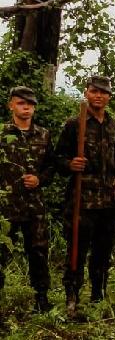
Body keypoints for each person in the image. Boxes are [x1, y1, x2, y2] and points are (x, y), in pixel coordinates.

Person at [53, 76, 115, 316]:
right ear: (86, 92)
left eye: (104, 92)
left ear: (109, 97)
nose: (99, 96)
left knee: (103, 251)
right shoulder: (74, 124)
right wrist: (70, 164)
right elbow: (58, 159)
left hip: (108, 200)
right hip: (81, 199)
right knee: (76, 250)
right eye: (95, 91)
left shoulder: (114, 125)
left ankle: (98, 295)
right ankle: (72, 297)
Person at [0, 86, 53, 312]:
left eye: (30, 104)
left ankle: (41, 299)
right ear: (11, 104)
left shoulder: (43, 134)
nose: (26, 108)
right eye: (21, 103)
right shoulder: (2, 133)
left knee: (38, 252)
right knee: (1, 252)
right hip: (5, 206)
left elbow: (51, 167)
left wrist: (40, 179)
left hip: (34, 207)